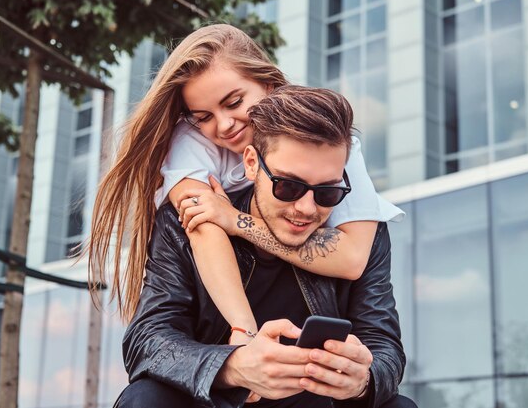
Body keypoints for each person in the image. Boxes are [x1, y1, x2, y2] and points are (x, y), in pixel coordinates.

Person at [87, 24, 404, 348]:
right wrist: (245, 333)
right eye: (203, 116)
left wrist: (236, 221)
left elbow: (352, 259)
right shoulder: (191, 142)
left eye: (234, 102)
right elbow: (202, 226)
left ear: (267, 83)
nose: (223, 125)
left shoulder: (328, 142)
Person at [115, 85, 415, 408]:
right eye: (287, 186)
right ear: (251, 163)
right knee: (144, 399)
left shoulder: (363, 234)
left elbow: (385, 347)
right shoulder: (185, 219)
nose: (306, 208)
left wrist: (363, 380)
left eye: (327, 192)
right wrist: (233, 367)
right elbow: (147, 339)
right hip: (220, 402)